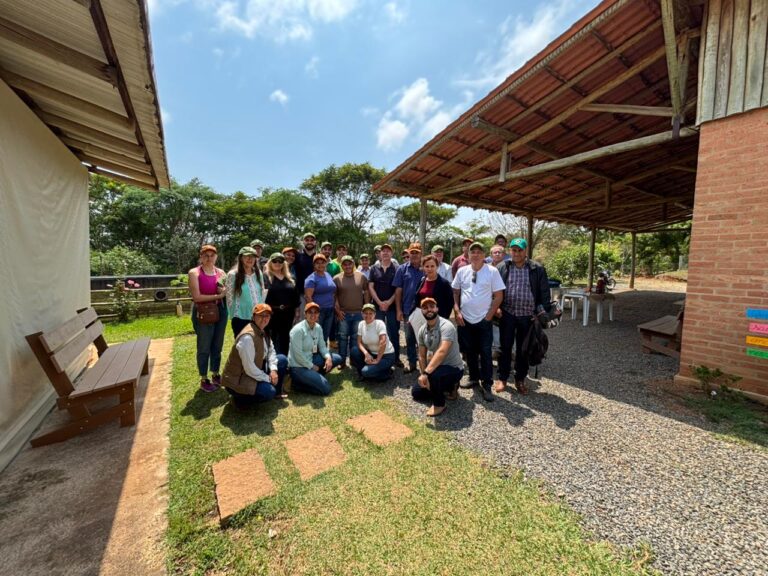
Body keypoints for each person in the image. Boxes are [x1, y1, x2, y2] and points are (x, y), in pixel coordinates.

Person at [494, 237, 551, 395]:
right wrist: (496, 308)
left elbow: (544, 294)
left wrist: (539, 314)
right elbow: (494, 290)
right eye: (514, 250)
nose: (517, 253)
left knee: (523, 349)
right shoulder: (502, 267)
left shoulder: (537, 269)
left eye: (520, 250)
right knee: (505, 347)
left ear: (525, 251)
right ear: (510, 251)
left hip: (528, 316)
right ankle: (503, 378)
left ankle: (520, 378)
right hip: (508, 314)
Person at [452, 242, 504, 402]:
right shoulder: (462, 271)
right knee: (469, 351)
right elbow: (455, 292)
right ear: (467, 255)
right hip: (465, 319)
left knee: (486, 353)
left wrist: (489, 316)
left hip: (484, 320)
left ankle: (487, 384)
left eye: (478, 252)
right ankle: (473, 378)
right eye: (472, 252)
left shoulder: (492, 271)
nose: (475, 254)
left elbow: (499, 296)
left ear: (484, 255)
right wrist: (457, 310)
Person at [221, 303, 288, 408]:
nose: (264, 319)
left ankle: (276, 392)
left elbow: (271, 351)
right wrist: (269, 378)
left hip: (254, 371)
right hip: (240, 378)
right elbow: (249, 369)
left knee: (282, 360)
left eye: (267, 316)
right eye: (261, 315)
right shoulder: (247, 338)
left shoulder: (263, 331)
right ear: (253, 317)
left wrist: (274, 370)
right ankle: (239, 400)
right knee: (268, 392)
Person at [411, 298, 464, 416]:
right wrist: (423, 375)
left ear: (437, 309)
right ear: (422, 312)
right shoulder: (422, 330)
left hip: (453, 368)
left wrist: (426, 374)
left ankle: (439, 404)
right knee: (416, 392)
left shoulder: (447, 326)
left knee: (434, 375)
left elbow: (442, 351)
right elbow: (421, 355)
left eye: (431, 306)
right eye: (425, 307)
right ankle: (449, 387)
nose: (428, 309)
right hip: (436, 368)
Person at [189, 244, 228, 392]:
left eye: (212, 255)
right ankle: (204, 377)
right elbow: (197, 297)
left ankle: (216, 373)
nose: (209, 258)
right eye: (206, 255)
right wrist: (218, 295)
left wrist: (223, 290)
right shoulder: (194, 273)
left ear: (216, 257)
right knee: (204, 345)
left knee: (217, 345)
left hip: (220, 310)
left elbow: (225, 288)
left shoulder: (221, 272)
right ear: (201, 257)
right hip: (203, 311)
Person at [288, 302, 343, 396]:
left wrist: (328, 358)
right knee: (326, 389)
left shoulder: (318, 327)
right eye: (310, 312)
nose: (313, 315)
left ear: (318, 314)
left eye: (316, 312)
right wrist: (312, 366)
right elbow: (298, 355)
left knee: (336, 358)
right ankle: (297, 384)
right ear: (305, 314)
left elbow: (322, 346)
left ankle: (314, 377)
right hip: (298, 366)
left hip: (311, 359)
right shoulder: (297, 330)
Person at [334, 255, 369, 369]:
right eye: (345, 264)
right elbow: (334, 297)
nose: (348, 266)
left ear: (353, 264)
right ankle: (342, 361)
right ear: (342, 265)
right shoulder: (336, 278)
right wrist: (338, 311)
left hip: (358, 313)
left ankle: (354, 360)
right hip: (344, 314)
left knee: (355, 338)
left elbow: (367, 291)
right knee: (342, 338)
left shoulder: (362, 277)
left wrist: (366, 308)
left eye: (350, 263)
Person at [393, 245, 424, 373]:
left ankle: (425, 365)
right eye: (412, 253)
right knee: (410, 338)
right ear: (409, 254)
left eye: (417, 252)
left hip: (424, 311)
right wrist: (399, 310)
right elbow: (398, 291)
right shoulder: (402, 269)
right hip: (407, 310)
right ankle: (412, 363)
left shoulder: (426, 268)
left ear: (421, 254)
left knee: (424, 338)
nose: (414, 255)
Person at [368, 243, 401, 365]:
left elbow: (398, 288)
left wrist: (388, 302)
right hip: (377, 306)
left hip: (392, 307)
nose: (385, 253)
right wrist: (379, 302)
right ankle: (378, 356)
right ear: (380, 254)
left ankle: (396, 358)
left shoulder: (397, 269)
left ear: (392, 253)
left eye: (388, 251)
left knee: (394, 332)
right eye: (383, 251)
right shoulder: (374, 269)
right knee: (378, 332)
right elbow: (371, 287)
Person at [264, 252, 299, 355]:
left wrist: (297, 310)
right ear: (270, 262)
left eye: (280, 261)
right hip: (271, 313)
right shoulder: (265, 277)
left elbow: (295, 295)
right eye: (275, 261)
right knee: (272, 338)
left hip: (288, 313)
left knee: (285, 337)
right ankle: (273, 363)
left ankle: (284, 361)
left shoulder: (290, 277)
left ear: (284, 263)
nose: (277, 263)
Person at [226, 246, 265, 338]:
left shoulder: (258, 273)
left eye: (253, 256)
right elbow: (229, 297)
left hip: (258, 315)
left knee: (257, 343)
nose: (250, 259)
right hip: (240, 316)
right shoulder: (233, 274)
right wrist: (234, 313)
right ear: (241, 258)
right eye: (247, 256)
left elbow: (262, 292)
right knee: (242, 344)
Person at [350, 303, 396, 381]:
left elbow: (383, 342)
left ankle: (387, 372)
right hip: (372, 354)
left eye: (370, 313)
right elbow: (359, 342)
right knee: (354, 351)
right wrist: (366, 353)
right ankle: (366, 373)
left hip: (386, 356)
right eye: (365, 313)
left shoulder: (379, 323)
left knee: (366, 372)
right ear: (362, 314)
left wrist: (378, 359)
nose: (368, 315)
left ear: (375, 314)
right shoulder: (361, 324)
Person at [304, 254, 336, 344]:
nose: (320, 265)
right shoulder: (311, 279)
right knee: (316, 335)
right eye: (317, 263)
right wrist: (313, 313)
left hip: (330, 309)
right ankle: (314, 355)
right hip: (319, 311)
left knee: (325, 335)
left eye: (322, 262)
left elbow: (332, 291)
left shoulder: (328, 275)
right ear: (314, 265)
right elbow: (308, 297)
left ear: (326, 263)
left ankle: (323, 354)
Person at [414, 254, 453, 319]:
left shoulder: (444, 283)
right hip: (423, 318)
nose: (430, 269)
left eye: (432, 266)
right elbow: (417, 299)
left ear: (437, 267)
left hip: (439, 319)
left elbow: (450, 303)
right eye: (427, 266)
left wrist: (444, 318)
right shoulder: (421, 281)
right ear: (423, 267)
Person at [294, 232, 317, 309]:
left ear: (315, 242)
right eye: (307, 240)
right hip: (301, 295)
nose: (309, 242)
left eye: (312, 240)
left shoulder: (319, 257)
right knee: (301, 320)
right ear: (303, 242)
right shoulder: (297, 256)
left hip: (316, 295)